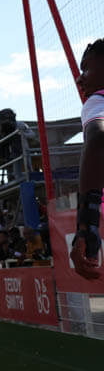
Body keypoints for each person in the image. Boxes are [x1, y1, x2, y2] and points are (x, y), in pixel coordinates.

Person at [70, 39, 104, 279]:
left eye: (86, 69)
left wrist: (86, 226)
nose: (79, 79)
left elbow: (98, 136)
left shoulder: (98, 100)